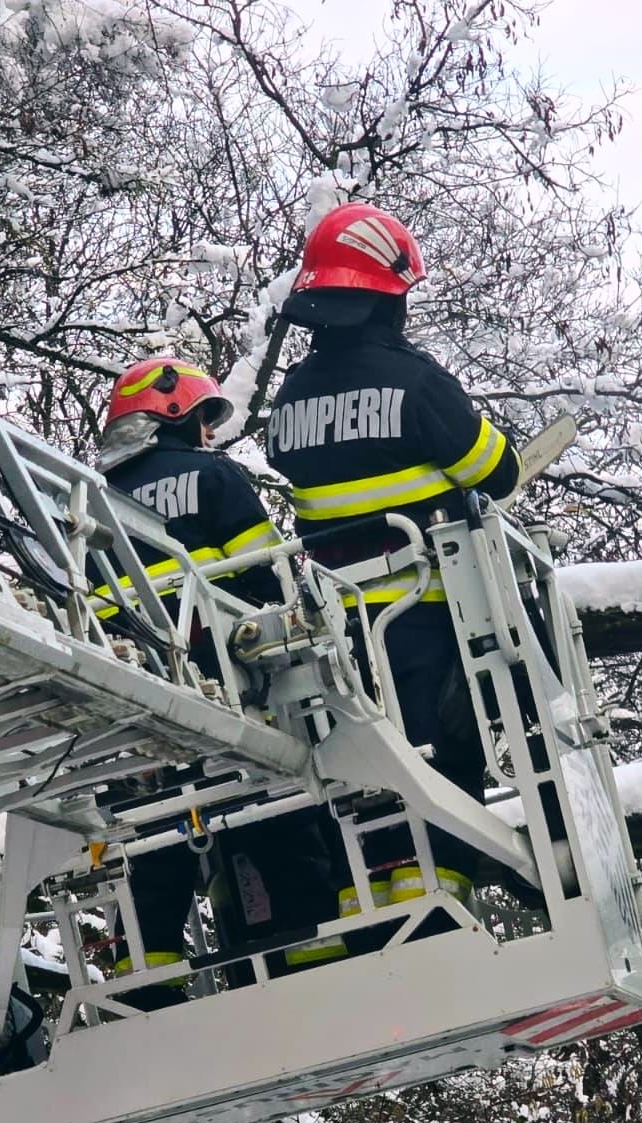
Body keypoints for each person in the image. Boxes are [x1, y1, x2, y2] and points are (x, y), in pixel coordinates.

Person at [266, 202, 520, 917]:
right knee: (442, 744)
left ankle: (363, 890)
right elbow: (495, 471)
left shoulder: (291, 397)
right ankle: (440, 886)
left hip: (337, 618)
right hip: (426, 607)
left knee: (361, 756)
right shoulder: (418, 384)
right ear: (387, 297)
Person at [96, 358, 337, 1001]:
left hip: (128, 696)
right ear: (175, 415)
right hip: (221, 687)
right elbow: (267, 578)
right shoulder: (212, 477)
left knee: (154, 830)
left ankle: (144, 973)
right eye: (204, 418)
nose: (209, 433)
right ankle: (314, 942)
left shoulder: (87, 499)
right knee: (273, 802)